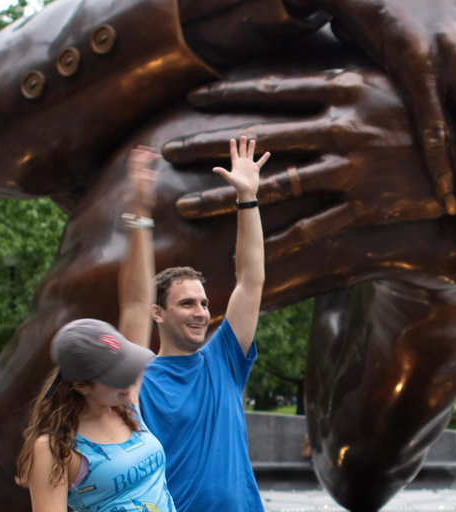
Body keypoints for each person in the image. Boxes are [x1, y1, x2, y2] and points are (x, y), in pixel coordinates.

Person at [15, 148, 170, 511]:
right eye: (118, 375)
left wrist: (140, 214)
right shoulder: (55, 448)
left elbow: (135, 301)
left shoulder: (125, 403)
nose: (130, 379)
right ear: (82, 385)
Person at [138, 136, 270, 512]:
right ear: (157, 313)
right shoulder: (136, 381)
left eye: (204, 303)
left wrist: (247, 199)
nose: (201, 312)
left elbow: (250, 279)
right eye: (186, 304)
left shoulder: (224, 359)